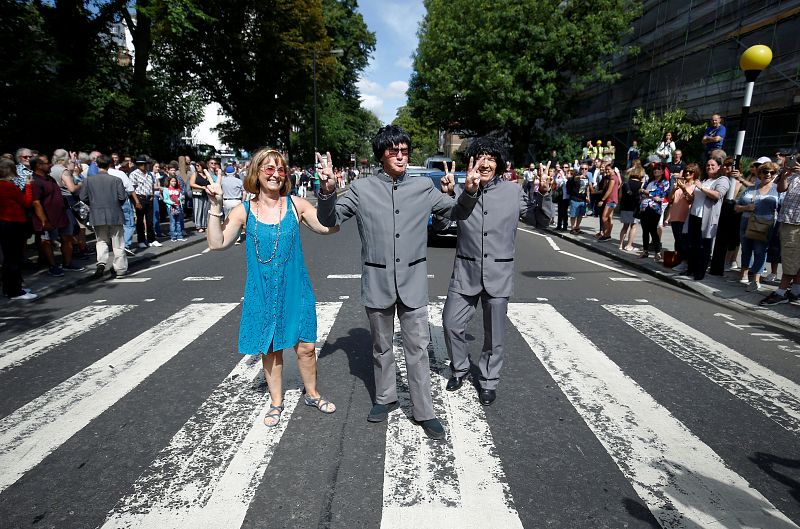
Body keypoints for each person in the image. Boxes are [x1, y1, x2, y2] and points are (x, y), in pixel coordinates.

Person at [316, 125, 479, 440]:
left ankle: (424, 411)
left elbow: (456, 211)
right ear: (381, 154)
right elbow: (330, 219)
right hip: (377, 282)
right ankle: (385, 398)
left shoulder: (423, 188)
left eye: (405, 150)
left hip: (413, 282)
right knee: (381, 346)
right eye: (394, 150)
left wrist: (468, 191)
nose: (401, 155)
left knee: (417, 348)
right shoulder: (362, 189)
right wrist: (326, 191)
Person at [206, 148, 339, 427]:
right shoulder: (243, 210)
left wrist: (327, 192)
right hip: (262, 291)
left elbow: (330, 229)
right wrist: (215, 206)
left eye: (280, 170)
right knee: (271, 349)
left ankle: (312, 394)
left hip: (296, 289)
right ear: (257, 173)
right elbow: (217, 244)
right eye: (269, 169)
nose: (276, 175)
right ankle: (276, 402)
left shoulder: (296, 205)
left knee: (305, 347)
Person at [437, 137, 535, 405]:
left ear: (499, 163)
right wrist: (447, 195)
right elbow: (441, 227)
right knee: (451, 323)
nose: (486, 163)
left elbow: (540, 219)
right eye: (480, 157)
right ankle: (460, 369)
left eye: (491, 158)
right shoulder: (459, 190)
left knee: (495, 335)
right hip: (465, 272)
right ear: (471, 162)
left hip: (498, 274)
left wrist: (545, 194)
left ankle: (489, 381)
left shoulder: (513, 192)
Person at [30, 154, 83, 275]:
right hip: (48, 218)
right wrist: (44, 221)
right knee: (47, 241)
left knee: (67, 238)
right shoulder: (35, 181)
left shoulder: (50, 179)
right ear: (38, 166)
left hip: (61, 215)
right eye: (47, 163)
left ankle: (67, 263)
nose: (50, 165)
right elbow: (36, 202)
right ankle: (53, 266)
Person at [760, 151, 800, 305]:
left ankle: (782, 291)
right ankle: (795, 290)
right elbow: (781, 189)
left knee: (791, 258)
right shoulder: (793, 175)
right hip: (789, 219)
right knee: (791, 257)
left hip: (796, 222)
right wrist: (784, 175)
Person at [681, 156, 730, 280]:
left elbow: (717, 195)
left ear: (719, 167)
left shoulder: (722, 180)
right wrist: (684, 190)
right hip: (694, 215)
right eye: (708, 165)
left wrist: (701, 187)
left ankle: (699, 273)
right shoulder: (704, 180)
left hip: (706, 218)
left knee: (704, 246)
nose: (710, 167)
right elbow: (694, 198)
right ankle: (690, 270)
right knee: (693, 244)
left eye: (713, 165)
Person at [81, 155, 128, 278]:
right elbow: (122, 198)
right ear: (110, 165)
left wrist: (94, 204)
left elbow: (83, 197)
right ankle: (120, 269)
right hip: (115, 213)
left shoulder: (88, 180)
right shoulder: (116, 180)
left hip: (97, 214)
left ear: (97, 165)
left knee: (101, 240)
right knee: (118, 242)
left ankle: (101, 263)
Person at [735, 162, 780, 292]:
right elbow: (736, 207)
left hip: (764, 226)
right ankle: (744, 273)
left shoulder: (778, 190)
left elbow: (782, 210)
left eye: (772, 172)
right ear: (760, 173)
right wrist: (746, 208)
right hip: (746, 223)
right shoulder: (751, 188)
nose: (768, 174)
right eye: (765, 171)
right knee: (746, 249)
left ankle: (756, 280)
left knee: (760, 251)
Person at [0, 159, 36, 300]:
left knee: (8, 258)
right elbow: (26, 202)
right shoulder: (9, 186)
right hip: (13, 223)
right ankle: (14, 291)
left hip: (4, 223)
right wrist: (28, 186)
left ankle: (10, 288)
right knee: (13, 257)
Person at [669, 163, 700, 272]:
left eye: (690, 172)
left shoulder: (695, 186)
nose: (687, 173)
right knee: (678, 240)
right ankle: (679, 260)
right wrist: (673, 189)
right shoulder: (681, 184)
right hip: (675, 215)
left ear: (695, 174)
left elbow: (691, 200)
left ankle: (685, 262)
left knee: (684, 241)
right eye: (686, 171)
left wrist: (683, 189)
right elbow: (670, 199)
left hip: (684, 216)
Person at [638, 161, 670, 260]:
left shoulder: (665, 182)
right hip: (644, 207)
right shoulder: (649, 181)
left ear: (662, 171)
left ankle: (657, 252)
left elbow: (658, 193)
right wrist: (648, 194)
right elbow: (641, 192)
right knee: (645, 230)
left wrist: (646, 193)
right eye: (655, 169)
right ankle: (645, 251)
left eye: (658, 169)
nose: (656, 171)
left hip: (654, 209)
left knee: (653, 230)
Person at [130, 155, 162, 248]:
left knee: (150, 220)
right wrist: (136, 201)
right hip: (140, 198)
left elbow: (151, 185)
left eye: (145, 164)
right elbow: (132, 189)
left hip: (149, 198)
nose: (144, 166)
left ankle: (152, 239)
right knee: (140, 221)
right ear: (139, 165)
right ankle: (141, 240)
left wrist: (152, 195)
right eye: (143, 164)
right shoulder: (134, 174)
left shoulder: (149, 174)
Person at [618, 166, 642, 251]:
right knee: (633, 226)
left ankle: (620, 244)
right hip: (635, 207)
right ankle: (629, 245)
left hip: (625, 206)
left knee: (625, 226)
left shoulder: (625, 183)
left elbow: (620, 196)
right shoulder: (641, 184)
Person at [597, 163, 620, 241]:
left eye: (608, 169)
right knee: (609, 218)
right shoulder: (614, 177)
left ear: (613, 169)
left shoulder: (613, 178)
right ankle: (608, 235)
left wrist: (602, 200)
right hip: (613, 200)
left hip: (611, 200)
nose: (607, 171)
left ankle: (606, 235)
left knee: (604, 217)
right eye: (606, 169)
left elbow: (609, 190)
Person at [567, 163, 590, 234]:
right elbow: (573, 179)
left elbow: (587, 187)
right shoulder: (576, 175)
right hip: (575, 198)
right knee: (573, 215)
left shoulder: (587, 177)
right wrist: (579, 177)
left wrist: (588, 196)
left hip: (583, 199)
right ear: (580, 169)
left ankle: (577, 227)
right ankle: (572, 228)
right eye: (582, 168)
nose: (584, 170)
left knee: (580, 215)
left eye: (586, 169)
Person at [162, 175, 186, 242]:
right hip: (171, 207)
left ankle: (179, 236)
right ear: (169, 182)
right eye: (172, 181)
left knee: (178, 222)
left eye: (175, 181)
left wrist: (181, 198)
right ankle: (173, 236)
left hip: (178, 206)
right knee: (173, 222)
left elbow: (180, 196)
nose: (174, 182)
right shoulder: (166, 189)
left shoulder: (177, 189)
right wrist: (171, 203)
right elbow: (165, 199)